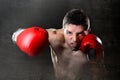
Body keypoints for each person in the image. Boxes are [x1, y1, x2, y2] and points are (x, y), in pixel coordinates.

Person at [12, 9, 107, 80]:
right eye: (69, 32)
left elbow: (100, 75)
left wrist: (96, 62)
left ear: (88, 31)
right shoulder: (54, 37)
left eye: (80, 33)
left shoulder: (93, 47)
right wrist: (20, 36)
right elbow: (17, 34)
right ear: (63, 29)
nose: (74, 39)